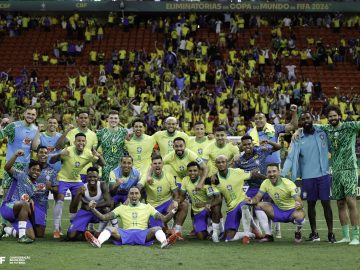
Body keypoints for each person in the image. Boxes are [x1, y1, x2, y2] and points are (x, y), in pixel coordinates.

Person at [282, 112, 335, 243]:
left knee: (326, 204)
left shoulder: (322, 132)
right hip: (307, 177)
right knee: (310, 205)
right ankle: (314, 233)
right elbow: (290, 157)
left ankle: (331, 233)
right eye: (303, 119)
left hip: (323, 175)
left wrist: (298, 129)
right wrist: (283, 174)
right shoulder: (297, 138)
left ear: (313, 119)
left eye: (308, 118)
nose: (306, 120)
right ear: (300, 122)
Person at [316, 105, 360, 245]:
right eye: (330, 116)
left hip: (349, 169)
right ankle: (346, 236)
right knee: (340, 203)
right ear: (327, 119)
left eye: (335, 116)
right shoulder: (327, 128)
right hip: (335, 170)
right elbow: (311, 127)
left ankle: (356, 236)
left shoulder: (350, 126)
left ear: (340, 116)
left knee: (351, 201)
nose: (333, 118)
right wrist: (297, 131)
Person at [84, 186, 178, 248]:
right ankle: (98, 242)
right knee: (110, 228)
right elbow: (104, 217)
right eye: (131, 193)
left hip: (143, 234)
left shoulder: (147, 207)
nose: (134, 195)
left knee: (156, 228)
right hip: (125, 234)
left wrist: (174, 210)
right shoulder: (121, 208)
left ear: (140, 195)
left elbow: (165, 219)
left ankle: (164, 243)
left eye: (136, 193)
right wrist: (93, 209)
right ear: (128, 196)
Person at [50, 132, 105, 239]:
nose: (81, 143)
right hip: (63, 179)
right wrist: (59, 155)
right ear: (74, 142)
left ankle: (77, 223)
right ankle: (57, 229)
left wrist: (98, 156)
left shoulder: (88, 153)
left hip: (76, 180)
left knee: (82, 198)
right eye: (78, 141)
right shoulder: (68, 150)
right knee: (60, 198)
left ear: (85, 142)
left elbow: (102, 164)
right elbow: (52, 161)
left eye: (83, 141)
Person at [234, 135, 281, 238]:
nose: (247, 146)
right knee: (243, 205)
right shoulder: (240, 160)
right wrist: (235, 157)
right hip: (252, 188)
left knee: (268, 204)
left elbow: (278, 147)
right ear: (242, 146)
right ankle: (251, 231)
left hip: (267, 185)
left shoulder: (260, 150)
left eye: (249, 144)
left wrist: (269, 141)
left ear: (252, 144)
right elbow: (234, 173)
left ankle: (276, 229)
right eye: (245, 144)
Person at [246, 164, 305, 243]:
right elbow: (257, 198)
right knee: (258, 205)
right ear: (267, 174)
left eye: (274, 171)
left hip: (292, 212)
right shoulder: (265, 183)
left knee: (300, 215)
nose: (272, 174)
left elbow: (299, 200)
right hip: (278, 211)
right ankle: (268, 235)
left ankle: (298, 232)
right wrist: (250, 201)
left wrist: (299, 205)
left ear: (279, 172)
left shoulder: (288, 184)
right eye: (269, 172)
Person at [0, 107, 38, 226]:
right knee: (6, 194)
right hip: (11, 164)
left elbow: (35, 147)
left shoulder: (35, 129)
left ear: (36, 116)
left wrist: (39, 132)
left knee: (22, 197)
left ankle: (18, 226)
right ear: (24, 114)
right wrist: (1, 124)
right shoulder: (14, 126)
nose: (30, 116)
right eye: (28, 113)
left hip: (25, 167)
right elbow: (1, 136)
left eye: (33, 114)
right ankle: (2, 225)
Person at [210, 155, 261, 244]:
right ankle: (252, 233)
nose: (221, 164)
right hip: (231, 208)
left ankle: (246, 235)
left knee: (244, 206)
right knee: (228, 238)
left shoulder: (237, 172)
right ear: (216, 165)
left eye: (223, 162)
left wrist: (268, 179)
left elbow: (254, 174)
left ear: (227, 163)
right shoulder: (215, 179)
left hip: (243, 201)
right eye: (219, 162)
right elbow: (218, 198)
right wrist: (207, 204)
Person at [137, 155, 187, 236]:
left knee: (184, 204)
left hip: (167, 204)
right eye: (155, 163)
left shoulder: (169, 175)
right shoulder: (146, 176)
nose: (157, 165)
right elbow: (138, 187)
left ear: (162, 164)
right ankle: (165, 228)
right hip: (153, 208)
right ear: (151, 165)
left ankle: (177, 230)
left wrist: (175, 201)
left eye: (159, 163)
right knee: (157, 231)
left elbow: (176, 194)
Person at [0, 150, 40, 243]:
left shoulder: (35, 187)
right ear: (28, 170)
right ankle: (22, 237)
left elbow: (30, 204)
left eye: (38, 170)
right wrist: (15, 155)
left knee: (31, 237)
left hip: (20, 214)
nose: (36, 172)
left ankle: (6, 230)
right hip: (8, 207)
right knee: (24, 203)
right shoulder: (21, 175)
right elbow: (7, 167)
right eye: (33, 169)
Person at [67, 167, 112, 240]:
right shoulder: (82, 188)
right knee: (71, 236)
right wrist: (78, 194)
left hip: (99, 212)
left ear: (98, 177)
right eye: (90, 177)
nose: (92, 179)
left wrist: (93, 206)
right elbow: (73, 207)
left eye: (94, 177)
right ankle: (87, 232)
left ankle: (99, 232)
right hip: (85, 212)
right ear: (86, 177)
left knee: (106, 209)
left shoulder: (102, 185)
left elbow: (108, 202)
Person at [179, 162, 220, 240]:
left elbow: (216, 198)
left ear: (199, 171)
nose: (192, 173)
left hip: (207, 209)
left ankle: (215, 228)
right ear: (187, 172)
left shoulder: (205, 182)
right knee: (201, 236)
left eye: (195, 170)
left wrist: (205, 204)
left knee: (216, 207)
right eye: (190, 171)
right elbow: (182, 196)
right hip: (197, 212)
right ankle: (208, 229)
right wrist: (176, 202)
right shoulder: (185, 180)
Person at [56, 111, 98, 183]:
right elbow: (59, 146)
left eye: (85, 118)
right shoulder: (71, 132)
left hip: (87, 172)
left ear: (88, 119)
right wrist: (66, 131)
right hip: (71, 171)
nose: (83, 120)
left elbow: (94, 155)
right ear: (77, 119)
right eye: (81, 118)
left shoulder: (93, 135)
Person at [96, 110, 128, 183]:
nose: (113, 120)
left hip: (120, 166)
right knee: (106, 189)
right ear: (107, 119)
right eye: (111, 118)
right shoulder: (101, 132)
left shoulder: (123, 132)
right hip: (106, 166)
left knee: (119, 187)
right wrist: (98, 162)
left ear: (119, 120)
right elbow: (94, 150)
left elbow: (129, 148)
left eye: (115, 118)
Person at [32, 146, 58, 238]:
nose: (43, 155)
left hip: (42, 204)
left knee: (39, 234)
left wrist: (50, 188)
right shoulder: (30, 167)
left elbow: (56, 190)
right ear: (37, 154)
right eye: (41, 152)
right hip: (28, 202)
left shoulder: (52, 171)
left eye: (46, 153)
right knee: (25, 232)